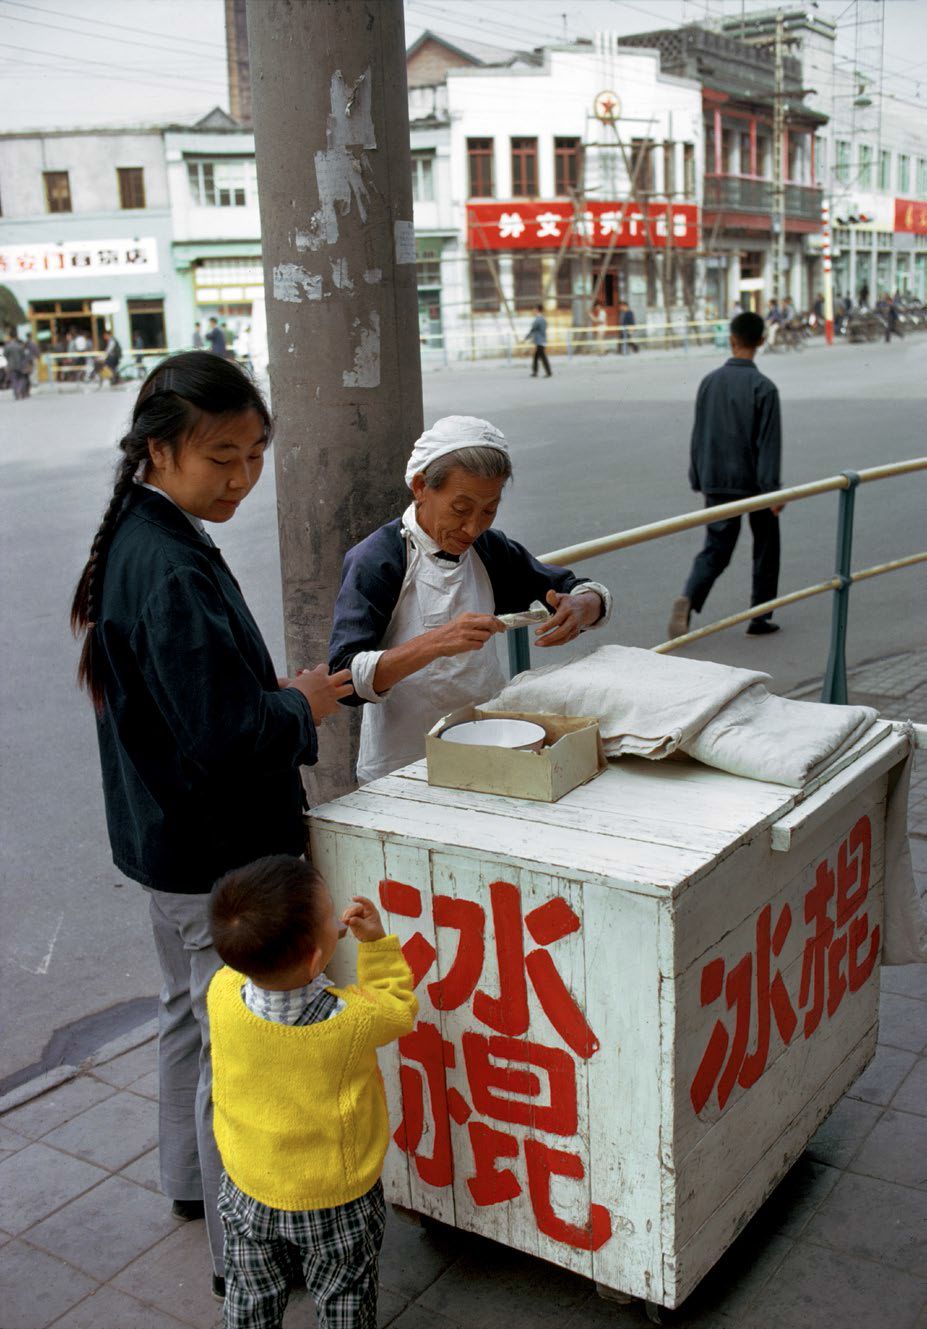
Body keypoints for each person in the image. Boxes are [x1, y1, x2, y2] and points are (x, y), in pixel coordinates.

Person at [69, 351, 353, 1299]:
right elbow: (230, 736)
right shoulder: (170, 564)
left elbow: (185, 704)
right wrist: (302, 703)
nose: (241, 477)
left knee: (185, 1021)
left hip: (165, 842)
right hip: (213, 854)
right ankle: (247, 1257)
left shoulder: (140, 534)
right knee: (229, 1052)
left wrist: (259, 698)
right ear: (159, 450)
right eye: (220, 457)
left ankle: (187, 1186)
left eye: (256, 453)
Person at [329, 415, 612, 784]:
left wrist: (581, 606)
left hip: (490, 746)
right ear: (420, 487)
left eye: (489, 510)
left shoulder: (488, 551)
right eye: (460, 510)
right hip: (402, 763)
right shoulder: (379, 559)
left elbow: (575, 588)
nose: (473, 527)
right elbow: (344, 678)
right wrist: (435, 643)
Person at [207, 855, 416, 1329]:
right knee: (345, 1294)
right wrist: (376, 945)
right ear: (318, 957)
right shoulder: (351, 1020)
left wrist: (310, 938)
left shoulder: (221, 991)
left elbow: (258, 964)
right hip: (336, 1198)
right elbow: (400, 1008)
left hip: (248, 1186)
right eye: (329, 916)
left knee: (250, 1295)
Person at [667, 311, 783, 640]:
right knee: (766, 546)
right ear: (761, 341)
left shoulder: (709, 382)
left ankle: (689, 598)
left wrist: (698, 476)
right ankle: (760, 616)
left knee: (716, 548)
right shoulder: (765, 388)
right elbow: (768, 445)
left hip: (717, 479)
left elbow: (699, 434)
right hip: (756, 485)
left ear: (732, 339)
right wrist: (773, 490)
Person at [3, 327, 32, 400]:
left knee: (14, 379)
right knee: (21, 378)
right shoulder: (19, 346)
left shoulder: (7, 346)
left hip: (11, 365)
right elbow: (23, 355)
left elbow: (5, 355)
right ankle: (19, 390)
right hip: (20, 365)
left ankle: (16, 392)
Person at [524, 304, 551, 377]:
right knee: (537, 357)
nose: (533, 310)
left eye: (534, 309)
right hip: (541, 340)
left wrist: (527, 337)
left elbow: (533, 329)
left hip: (540, 341)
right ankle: (536, 372)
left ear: (537, 310)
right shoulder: (542, 318)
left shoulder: (539, 319)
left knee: (542, 357)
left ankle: (547, 372)